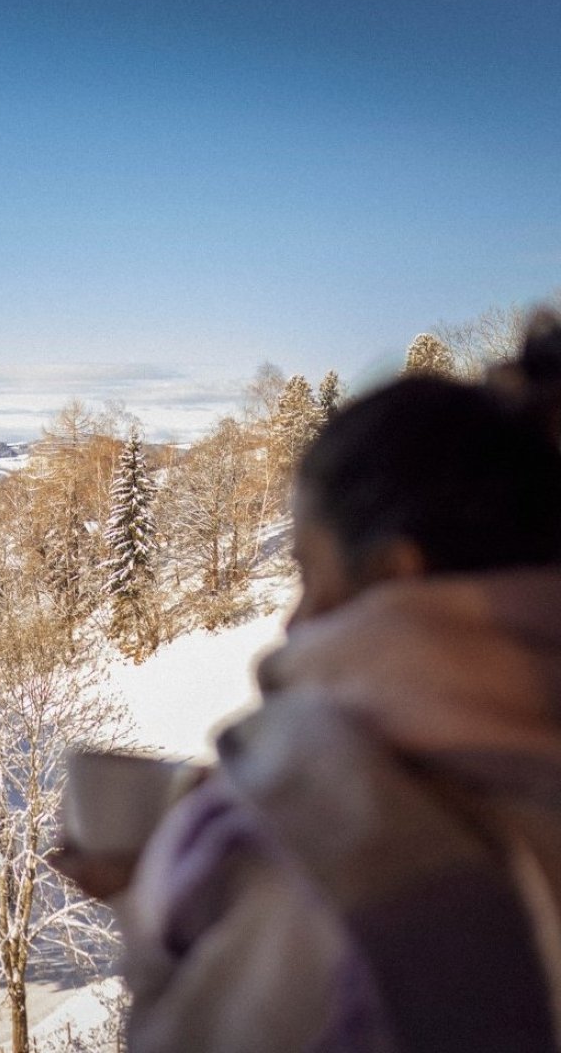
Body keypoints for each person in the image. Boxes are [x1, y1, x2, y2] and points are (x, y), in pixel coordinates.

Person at [52, 309, 561, 1052]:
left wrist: (173, 891)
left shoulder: (329, 852)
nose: (292, 622)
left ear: (395, 572)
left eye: (307, 570)